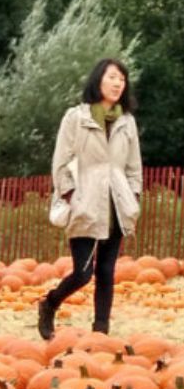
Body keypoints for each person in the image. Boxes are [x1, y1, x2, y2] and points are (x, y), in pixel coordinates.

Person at [37, 58, 143, 339]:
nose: (118, 83)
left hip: (116, 204)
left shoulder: (127, 122)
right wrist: (71, 195)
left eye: (122, 79)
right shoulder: (76, 118)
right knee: (83, 273)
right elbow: (61, 162)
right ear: (98, 80)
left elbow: (134, 167)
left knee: (106, 272)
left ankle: (100, 333)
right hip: (86, 203)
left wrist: (133, 197)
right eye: (112, 77)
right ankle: (50, 303)